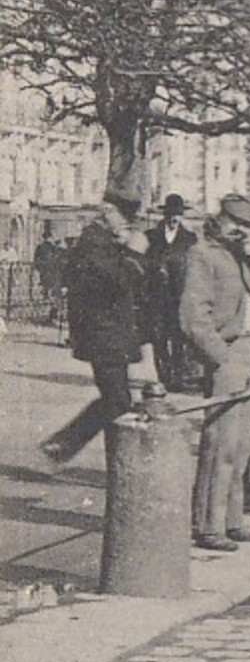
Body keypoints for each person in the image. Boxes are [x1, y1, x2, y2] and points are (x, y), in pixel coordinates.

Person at [180, 195, 250, 552]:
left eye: (248, 227)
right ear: (219, 220)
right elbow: (192, 317)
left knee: (241, 444)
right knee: (220, 443)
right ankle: (207, 524)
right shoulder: (203, 254)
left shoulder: (241, 256)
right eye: (235, 223)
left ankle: (231, 519)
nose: (240, 231)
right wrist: (220, 358)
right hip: (228, 352)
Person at [40, 196, 154, 465]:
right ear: (108, 211)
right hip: (104, 334)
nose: (127, 225)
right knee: (117, 401)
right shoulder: (93, 244)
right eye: (124, 218)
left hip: (110, 333)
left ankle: (66, 446)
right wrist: (135, 253)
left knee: (118, 400)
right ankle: (63, 445)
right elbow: (119, 281)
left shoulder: (102, 242)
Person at [145, 193, 197, 392]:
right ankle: (163, 374)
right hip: (156, 296)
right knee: (158, 337)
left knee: (178, 337)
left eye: (179, 215)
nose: (175, 218)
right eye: (172, 214)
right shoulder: (152, 236)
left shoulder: (190, 239)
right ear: (165, 214)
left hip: (179, 296)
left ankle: (177, 377)